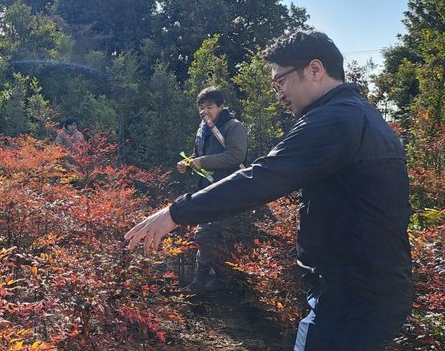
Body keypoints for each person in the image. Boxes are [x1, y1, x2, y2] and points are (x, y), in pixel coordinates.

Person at [125, 31, 413, 350]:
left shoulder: (334, 120)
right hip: (361, 290)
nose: (278, 94)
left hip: (352, 298)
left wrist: (176, 213)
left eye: (281, 82)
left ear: (315, 70)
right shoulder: (360, 114)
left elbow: (261, 178)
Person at [179, 87, 248, 293]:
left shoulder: (233, 127)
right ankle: (216, 280)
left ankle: (208, 281)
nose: (205, 112)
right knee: (209, 235)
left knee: (211, 234)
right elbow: (197, 155)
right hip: (207, 189)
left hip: (230, 190)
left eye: (209, 107)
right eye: (202, 107)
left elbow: (236, 156)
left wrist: (203, 162)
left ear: (221, 106)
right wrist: (187, 163)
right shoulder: (203, 128)